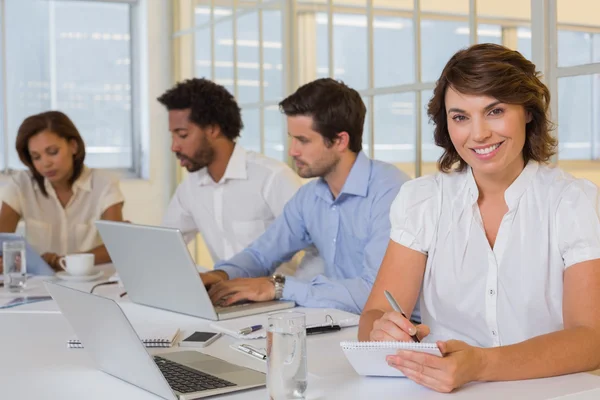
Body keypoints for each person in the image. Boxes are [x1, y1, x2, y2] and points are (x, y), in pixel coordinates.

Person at [359, 43, 600, 393]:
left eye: (495, 110)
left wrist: (481, 364)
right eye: (460, 117)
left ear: (528, 111)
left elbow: (591, 340)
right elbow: (373, 316)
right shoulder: (423, 200)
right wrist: (381, 330)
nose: (478, 133)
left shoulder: (572, 201)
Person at [204, 78, 410, 314]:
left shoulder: (391, 192)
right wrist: (217, 276)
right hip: (337, 320)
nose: (292, 151)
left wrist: (278, 287)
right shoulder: (310, 197)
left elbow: (379, 293)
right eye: (292, 138)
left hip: (393, 329)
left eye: (303, 140)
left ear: (340, 140)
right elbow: (261, 254)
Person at [158, 78, 316, 276]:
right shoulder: (191, 186)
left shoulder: (272, 177)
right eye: (172, 136)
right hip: (228, 297)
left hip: (280, 300)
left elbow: (316, 250)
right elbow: (163, 246)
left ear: (213, 130)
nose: (174, 146)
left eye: (182, 135)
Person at [0, 111, 125, 272]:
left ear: (74, 146)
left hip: (92, 283)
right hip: (40, 286)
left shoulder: (104, 183)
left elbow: (116, 246)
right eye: (36, 157)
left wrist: (62, 262)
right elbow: (1, 240)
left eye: (52, 152)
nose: (45, 163)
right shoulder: (20, 184)